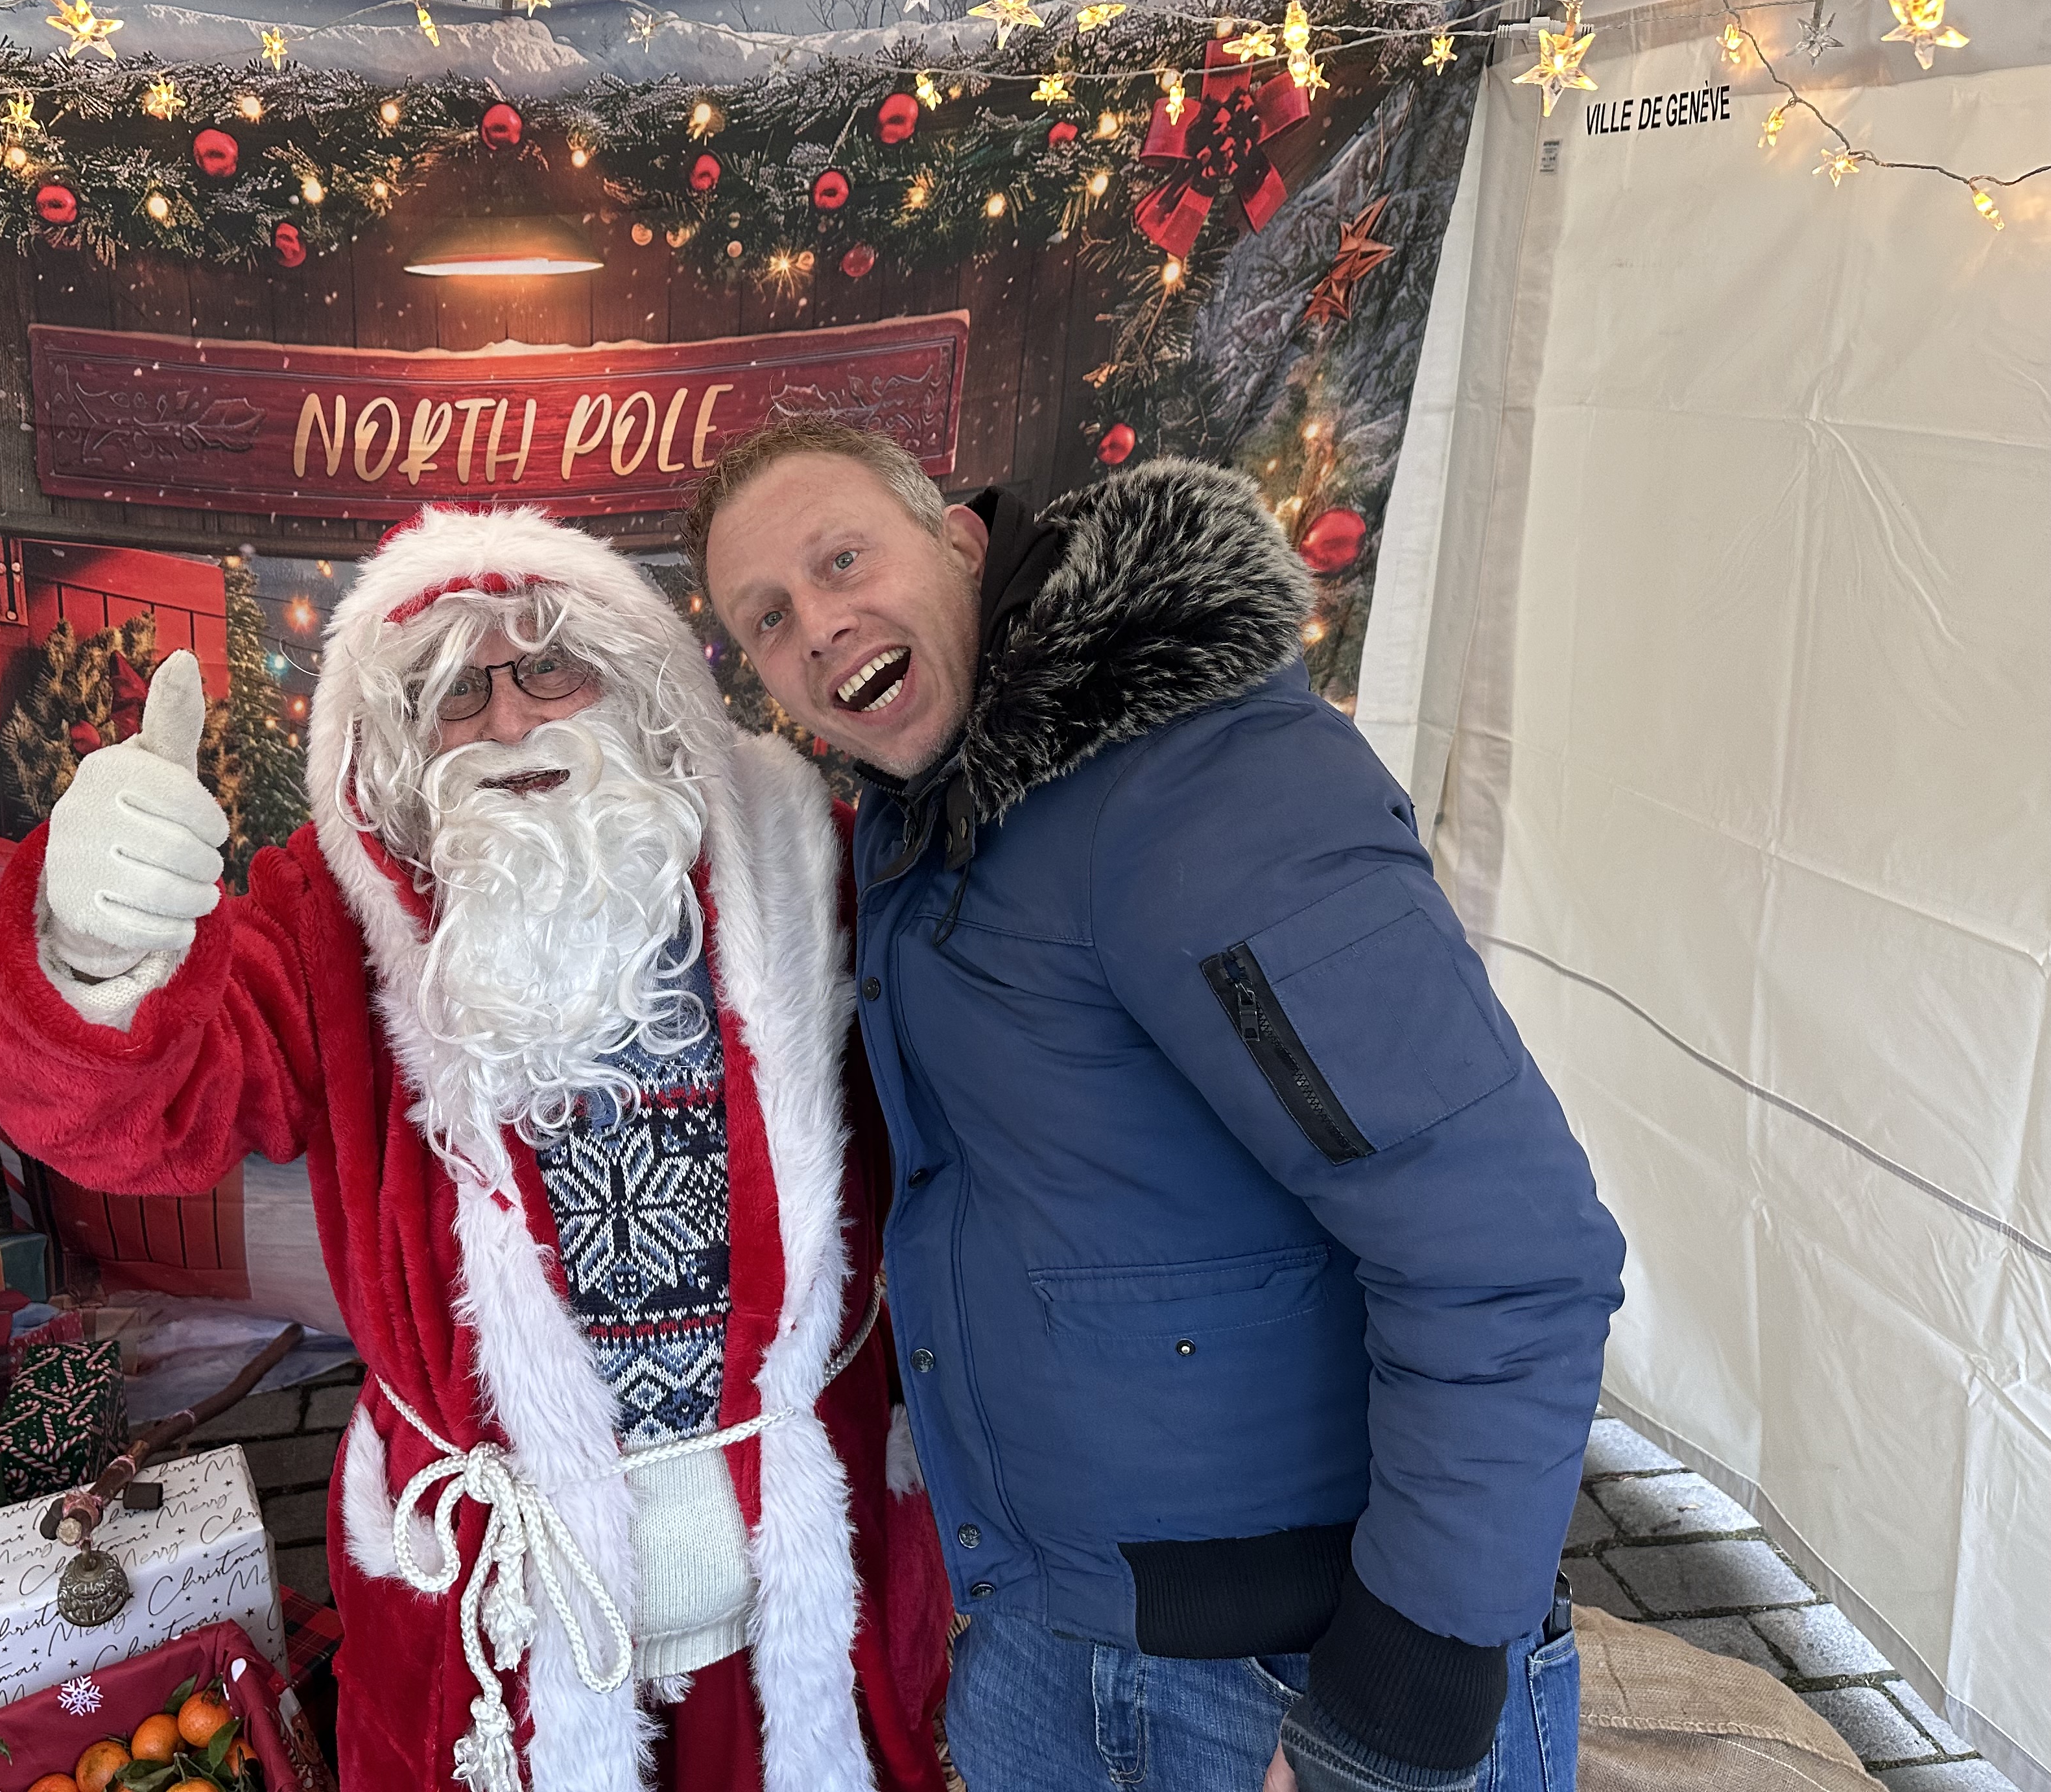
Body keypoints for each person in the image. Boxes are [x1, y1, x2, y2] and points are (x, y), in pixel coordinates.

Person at [691, 418, 1628, 1792]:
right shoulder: (926, 814)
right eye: (767, 616)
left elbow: (1505, 1247)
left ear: (961, 542)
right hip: (1055, 1645)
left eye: (844, 559)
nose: (819, 624)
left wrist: (1402, 1702)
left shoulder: (1204, 784)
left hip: (1286, 1681)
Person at [0, 504, 947, 1792]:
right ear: (397, 739)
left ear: (636, 683)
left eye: (550, 667)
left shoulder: (803, 863)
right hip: (500, 1617)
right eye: (453, 694)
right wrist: (92, 953)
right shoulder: (334, 918)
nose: (510, 721)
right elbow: (136, 1115)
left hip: (798, 1582)